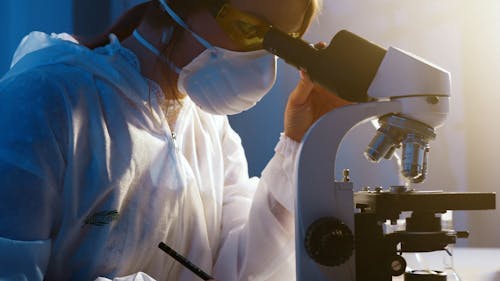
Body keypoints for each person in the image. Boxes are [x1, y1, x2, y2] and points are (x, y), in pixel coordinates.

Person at [0, 0, 349, 280]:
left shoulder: (210, 127)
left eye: (281, 45)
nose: (263, 63)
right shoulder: (43, 103)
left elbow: (244, 271)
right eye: (249, 29)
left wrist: (297, 143)